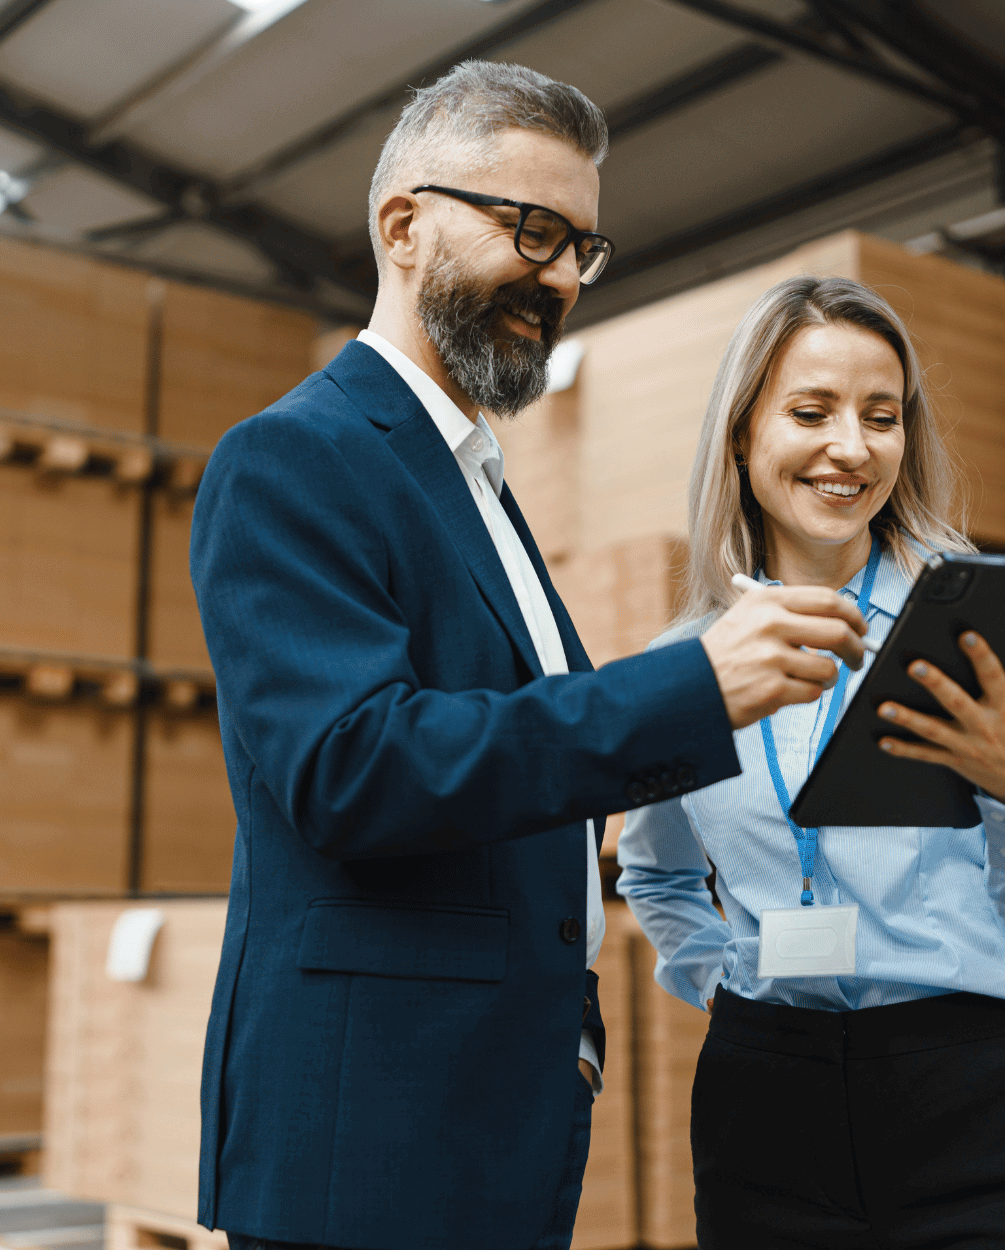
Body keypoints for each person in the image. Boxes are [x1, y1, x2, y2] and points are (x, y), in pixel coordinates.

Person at [188, 62, 876, 1250]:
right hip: (367, 1143)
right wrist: (688, 687)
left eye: (581, 249)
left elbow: (526, 775)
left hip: (483, 1116)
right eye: (533, 231)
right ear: (402, 226)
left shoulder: (473, 484)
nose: (560, 277)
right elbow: (352, 769)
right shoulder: (294, 458)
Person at [617, 275, 1005, 1249]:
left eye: (881, 416)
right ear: (741, 434)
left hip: (990, 1088)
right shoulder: (679, 668)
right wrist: (720, 977)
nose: (851, 448)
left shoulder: (987, 626)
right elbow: (652, 870)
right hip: (767, 1106)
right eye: (810, 411)